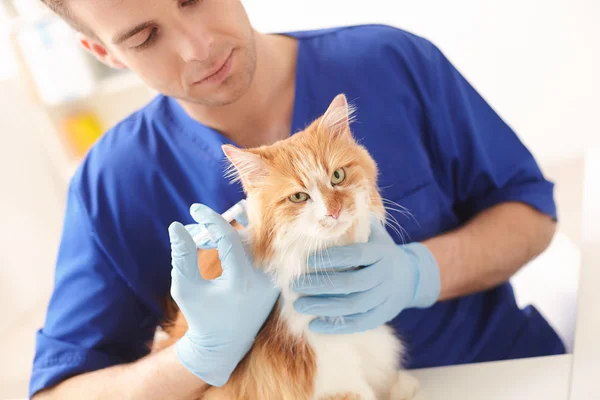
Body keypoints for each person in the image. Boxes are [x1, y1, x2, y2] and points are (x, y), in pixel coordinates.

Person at [30, 0, 564, 398]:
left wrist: (418, 272)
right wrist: (197, 357)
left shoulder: (389, 61)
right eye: (146, 36)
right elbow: (60, 391)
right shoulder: (113, 180)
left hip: (502, 374)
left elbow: (533, 213)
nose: (198, 47)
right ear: (104, 52)